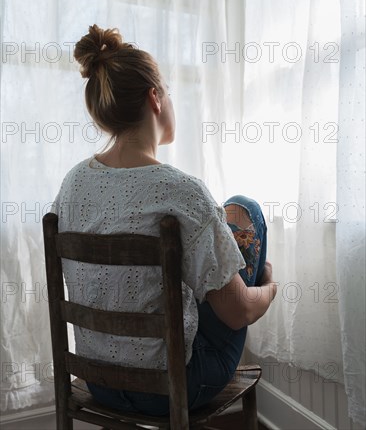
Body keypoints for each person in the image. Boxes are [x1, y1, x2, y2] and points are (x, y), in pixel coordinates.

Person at [51, 24, 277, 416]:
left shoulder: (71, 185)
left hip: (98, 380)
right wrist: (270, 287)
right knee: (246, 208)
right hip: (173, 387)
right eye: (168, 92)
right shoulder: (182, 192)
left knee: (211, 248)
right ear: (155, 98)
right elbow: (239, 313)